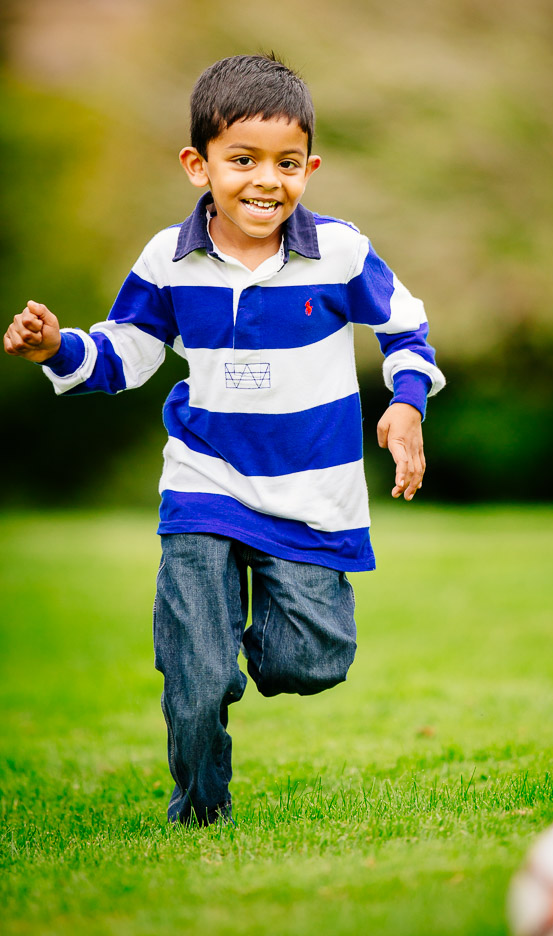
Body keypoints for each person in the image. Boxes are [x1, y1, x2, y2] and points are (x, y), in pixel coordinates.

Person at [3, 53, 445, 826]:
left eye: (286, 163)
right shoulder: (167, 261)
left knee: (311, 663)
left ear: (310, 166)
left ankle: (237, 645)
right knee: (196, 674)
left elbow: (407, 326)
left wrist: (406, 404)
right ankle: (200, 805)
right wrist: (56, 350)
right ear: (197, 165)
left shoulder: (339, 252)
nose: (265, 181)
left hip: (311, 493)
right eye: (242, 160)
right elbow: (125, 354)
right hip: (204, 484)